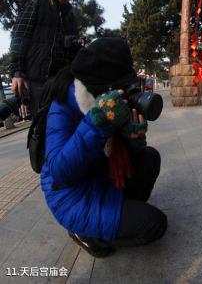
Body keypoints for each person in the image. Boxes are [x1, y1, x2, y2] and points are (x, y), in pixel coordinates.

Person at [41, 38, 167, 257]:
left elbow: (120, 154)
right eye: (122, 85)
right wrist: (96, 122)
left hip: (103, 176)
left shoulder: (109, 98)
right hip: (73, 195)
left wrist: (133, 139)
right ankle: (86, 235)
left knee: (149, 157)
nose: (127, 91)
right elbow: (60, 172)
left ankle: (123, 211)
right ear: (102, 85)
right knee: (154, 224)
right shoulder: (62, 105)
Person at [8, 0, 82, 117]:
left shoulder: (69, 15)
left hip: (62, 80)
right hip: (38, 79)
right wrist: (17, 72)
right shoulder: (38, 4)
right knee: (42, 125)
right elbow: (20, 37)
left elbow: (73, 47)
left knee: (64, 122)